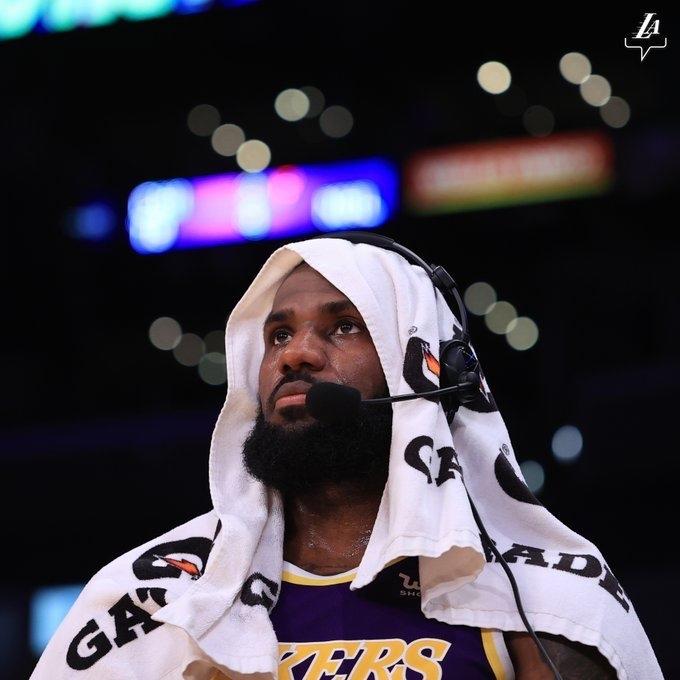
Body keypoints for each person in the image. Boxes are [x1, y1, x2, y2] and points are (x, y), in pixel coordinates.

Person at [31, 234, 663, 680]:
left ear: (423, 368)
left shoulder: (544, 595)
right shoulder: (154, 599)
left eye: (343, 327)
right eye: (278, 334)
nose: (295, 354)